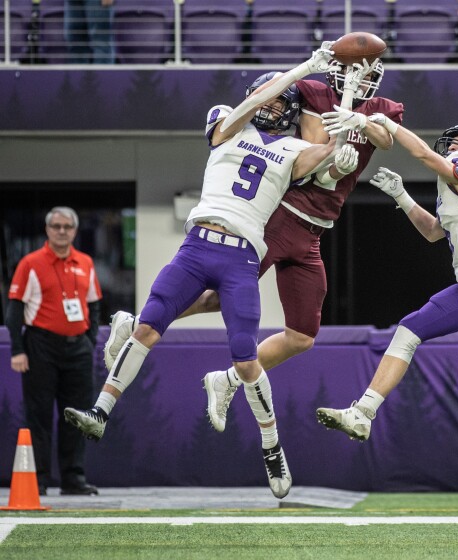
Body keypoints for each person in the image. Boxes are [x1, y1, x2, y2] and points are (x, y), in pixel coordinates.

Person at [63, 45, 358, 499]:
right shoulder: (227, 121)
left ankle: (271, 446)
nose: (271, 105)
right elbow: (250, 106)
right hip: (196, 246)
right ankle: (100, 412)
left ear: (292, 111)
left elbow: (330, 156)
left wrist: (349, 114)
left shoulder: (296, 148)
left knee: (246, 357)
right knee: (150, 327)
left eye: (280, 102)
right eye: (266, 98)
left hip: (242, 256)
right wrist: (302, 69)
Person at [103, 54, 405, 436]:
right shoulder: (313, 93)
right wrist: (337, 138)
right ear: (337, 71)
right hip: (285, 215)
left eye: (370, 75)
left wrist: (358, 117)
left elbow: (386, 140)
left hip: (316, 229)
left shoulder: (383, 109)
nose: (362, 80)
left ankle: (225, 379)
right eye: (353, 72)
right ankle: (137, 326)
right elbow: (317, 162)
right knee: (221, 296)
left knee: (302, 336)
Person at [314, 113, 458, 521]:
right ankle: (362, 413)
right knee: (408, 331)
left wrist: (383, 124)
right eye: (451, 140)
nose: (452, 145)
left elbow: (420, 153)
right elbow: (435, 232)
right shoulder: (455, 182)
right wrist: (402, 197)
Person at [6, 207, 102, 497]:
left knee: (77, 415)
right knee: (39, 416)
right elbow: (14, 310)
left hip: (78, 349)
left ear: (74, 231)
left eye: (67, 226)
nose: (62, 231)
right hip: (41, 347)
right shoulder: (30, 263)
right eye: (56, 226)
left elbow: (94, 305)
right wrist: (18, 349)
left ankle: (73, 478)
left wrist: (90, 341)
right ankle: (40, 479)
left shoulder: (85, 262)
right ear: (48, 230)